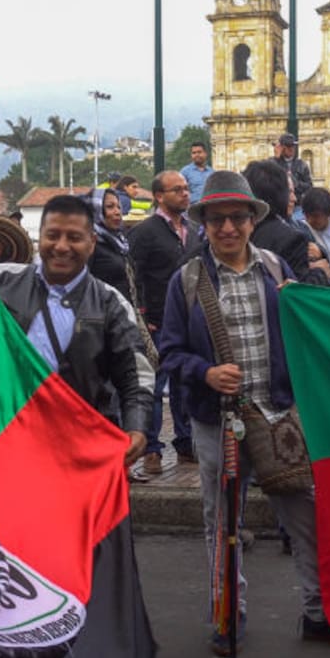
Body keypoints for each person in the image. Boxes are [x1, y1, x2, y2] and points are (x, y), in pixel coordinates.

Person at [157, 172, 330, 654]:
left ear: (252, 221)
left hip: (278, 416)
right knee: (223, 524)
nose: (228, 228)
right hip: (219, 422)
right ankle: (228, 616)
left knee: (306, 517)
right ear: (204, 225)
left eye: (237, 217)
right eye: (217, 220)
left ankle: (321, 612)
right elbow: (168, 352)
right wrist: (205, 372)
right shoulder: (187, 281)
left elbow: (311, 329)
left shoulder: (277, 272)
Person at [0, 195, 152, 465]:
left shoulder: (111, 303)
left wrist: (137, 428)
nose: (62, 246)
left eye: (74, 238)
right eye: (52, 236)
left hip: (77, 448)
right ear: (40, 238)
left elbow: (135, 375)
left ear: (91, 243)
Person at [128, 171, 198, 475]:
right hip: (157, 322)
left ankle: (186, 443)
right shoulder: (145, 232)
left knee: (185, 384)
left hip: (188, 321)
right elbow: (134, 275)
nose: (185, 194)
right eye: (177, 189)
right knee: (154, 388)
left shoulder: (193, 231)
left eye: (186, 188)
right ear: (159, 196)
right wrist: (143, 316)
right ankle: (152, 449)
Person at [243, 159, 324, 283]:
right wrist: (320, 273)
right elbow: (298, 290)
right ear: (279, 194)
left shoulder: (237, 231)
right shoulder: (291, 240)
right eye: (290, 192)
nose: (294, 198)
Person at [89, 186, 136, 302]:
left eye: (119, 207)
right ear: (96, 209)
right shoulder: (90, 243)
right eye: (110, 207)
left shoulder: (120, 242)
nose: (117, 212)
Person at [273, 133, 313, 209]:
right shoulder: (273, 162)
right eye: (288, 146)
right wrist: (277, 158)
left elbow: (309, 187)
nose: (291, 148)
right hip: (279, 205)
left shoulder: (301, 165)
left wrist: (295, 183)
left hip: (297, 205)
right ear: (281, 147)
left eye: (293, 146)